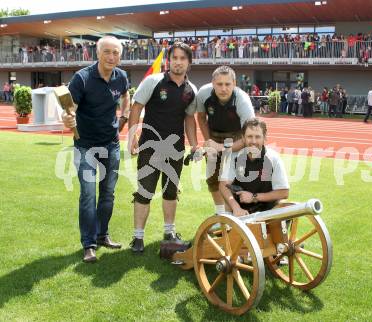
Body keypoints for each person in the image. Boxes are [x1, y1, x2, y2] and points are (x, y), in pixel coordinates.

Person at [62, 36, 130, 262]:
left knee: (108, 194)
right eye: (107, 52)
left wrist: (125, 116)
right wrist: (67, 119)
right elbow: (69, 109)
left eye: (116, 53)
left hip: (111, 144)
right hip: (86, 147)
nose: (112, 57)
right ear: (97, 53)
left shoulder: (121, 76)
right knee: (89, 195)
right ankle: (88, 244)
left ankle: (103, 235)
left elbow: (125, 95)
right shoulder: (82, 78)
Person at [128, 42, 199, 253]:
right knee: (144, 192)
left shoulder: (191, 90)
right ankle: (138, 238)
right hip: (150, 147)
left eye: (182, 58)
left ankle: (169, 231)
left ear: (189, 62)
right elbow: (136, 107)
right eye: (174, 58)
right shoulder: (153, 81)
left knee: (170, 192)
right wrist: (132, 136)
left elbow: (189, 119)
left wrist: (194, 145)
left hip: (175, 149)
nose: (178, 62)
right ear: (169, 60)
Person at [196, 65, 255, 216]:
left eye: (227, 84)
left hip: (237, 137)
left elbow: (249, 136)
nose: (223, 88)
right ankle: (220, 213)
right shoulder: (204, 93)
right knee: (212, 178)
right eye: (219, 84)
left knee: (230, 179)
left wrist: (221, 147)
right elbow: (201, 117)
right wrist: (209, 141)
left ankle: (236, 212)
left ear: (234, 84)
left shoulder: (242, 100)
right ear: (212, 83)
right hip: (214, 134)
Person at [219, 118, 289, 217]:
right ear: (243, 138)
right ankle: (229, 226)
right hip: (242, 209)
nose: (253, 141)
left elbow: (284, 193)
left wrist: (254, 197)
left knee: (283, 204)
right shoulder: (235, 157)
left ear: (264, 138)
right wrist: (236, 208)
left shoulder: (273, 158)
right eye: (249, 136)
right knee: (228, 202)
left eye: (257, 137)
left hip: (268, 209)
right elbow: (223, 185)